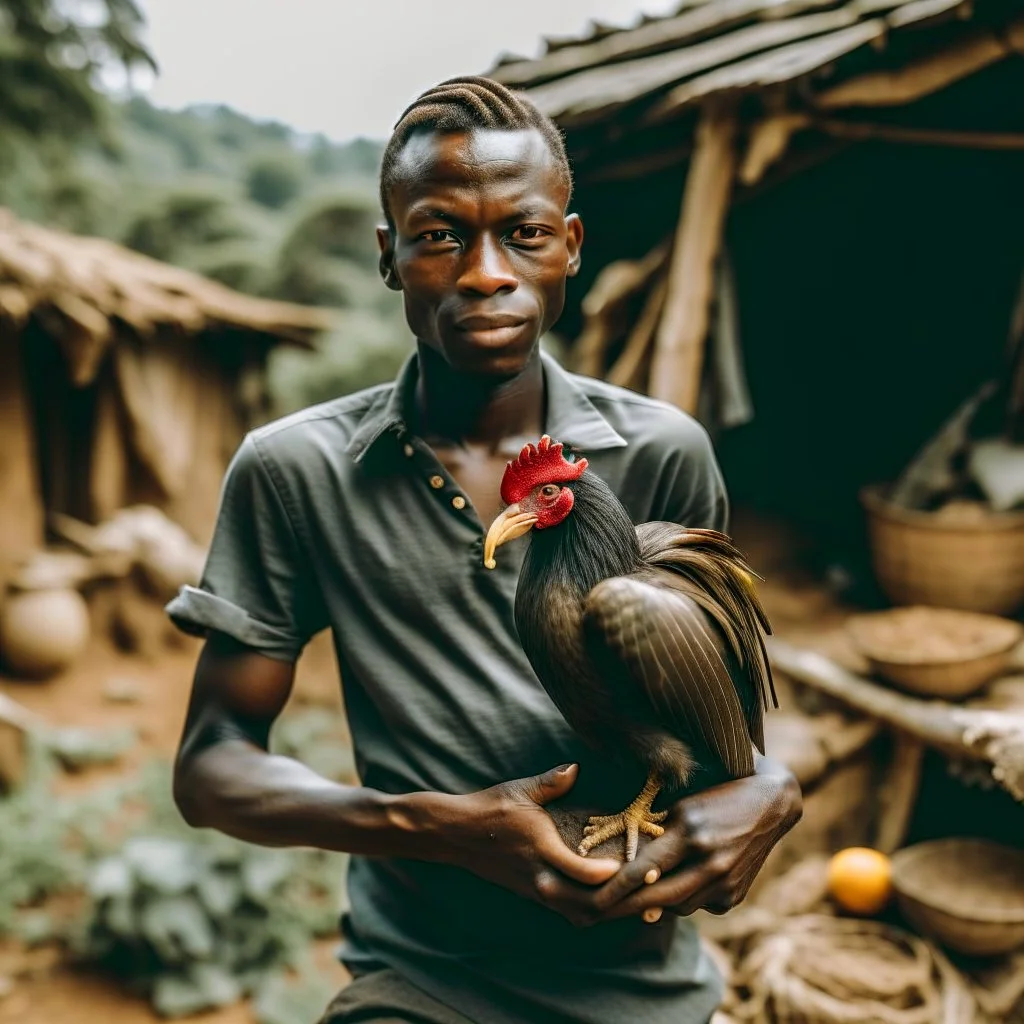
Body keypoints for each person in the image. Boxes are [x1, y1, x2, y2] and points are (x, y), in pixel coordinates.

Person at [168, 76, 802, 1024]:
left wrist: (771, 788)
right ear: (389, 257)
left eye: (525, 233)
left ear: (571, 247)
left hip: (640, 972)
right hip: (423, 978)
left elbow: (729, 710)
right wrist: (434, 827)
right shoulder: (295, 471)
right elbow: (212, 765)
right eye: (439, 236)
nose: (485, 272)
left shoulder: (664, 452)